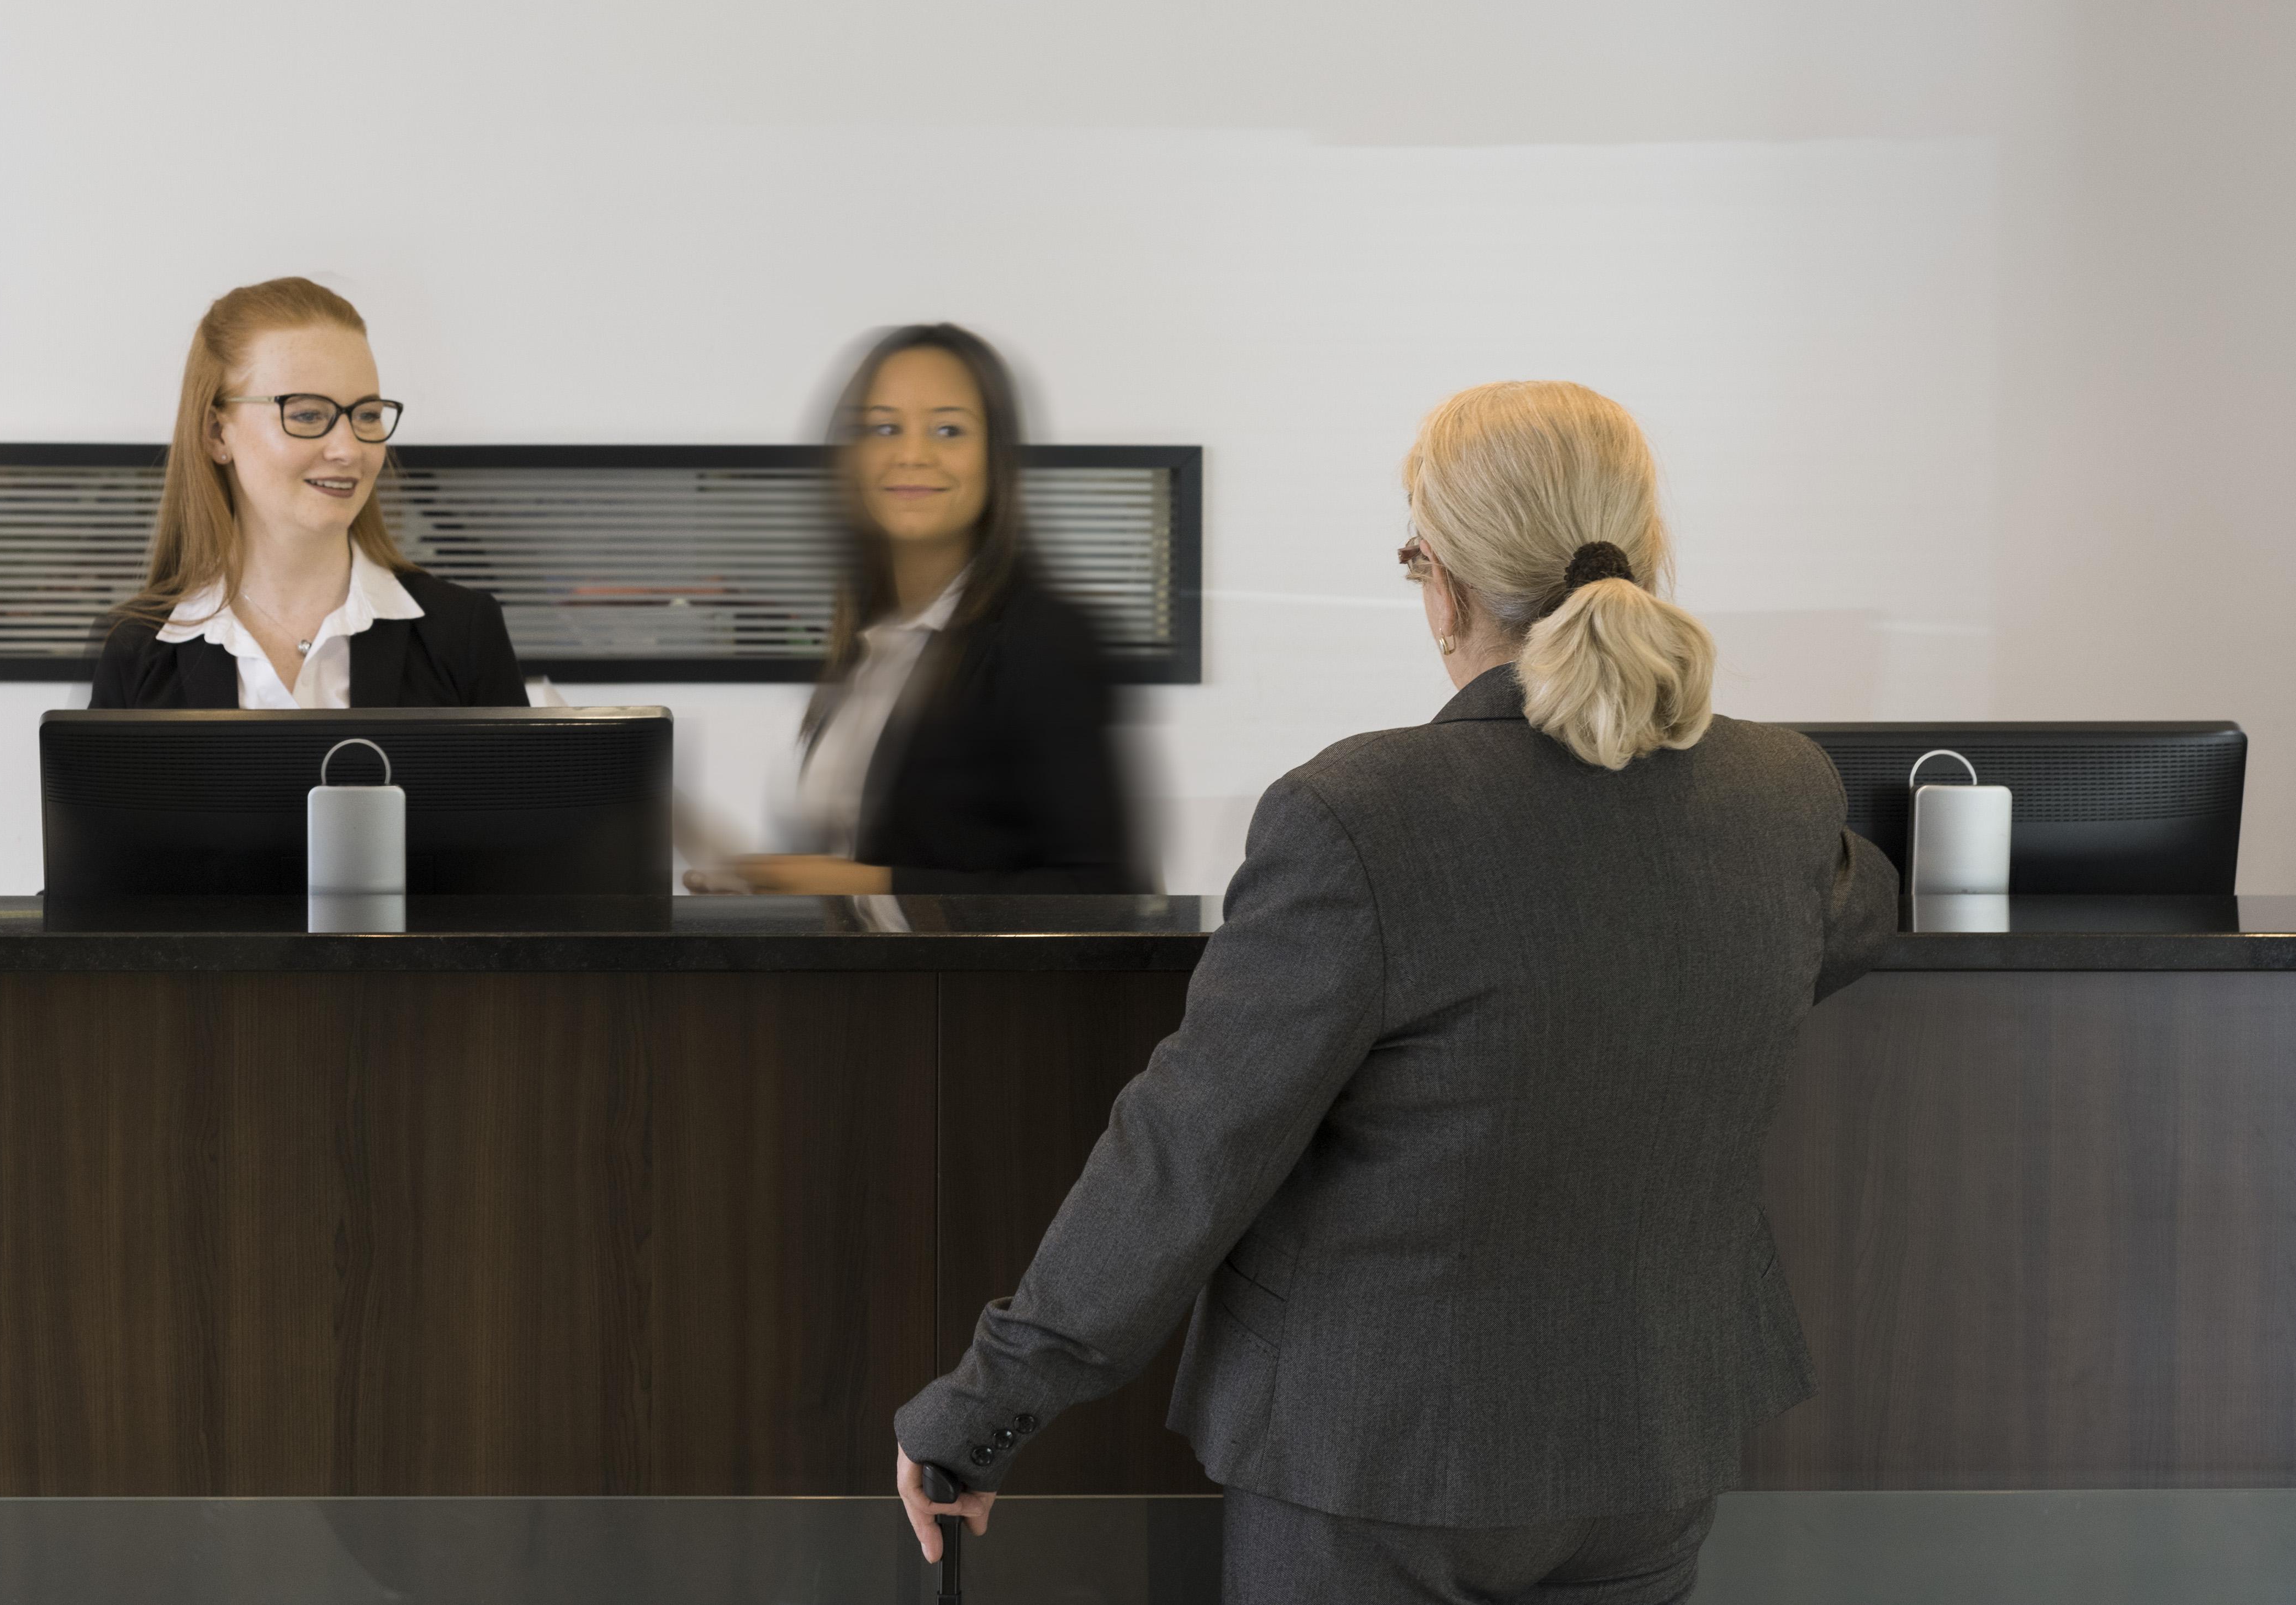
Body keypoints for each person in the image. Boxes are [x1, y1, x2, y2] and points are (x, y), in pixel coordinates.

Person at [892, 379, 1897, 1605]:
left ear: (1446, 582)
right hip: (1645, 1446)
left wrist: (984, 1404)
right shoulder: (1783, 792)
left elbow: (1189, 1150)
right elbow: (1855, 910)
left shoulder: (1356, 814)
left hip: (1374, 1458)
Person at [718, 322, 1143, 896]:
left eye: (948, 429)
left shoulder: (1044, 639)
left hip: (978, 989)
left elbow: (1107, 892)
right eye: (884, 428)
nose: (911, 454)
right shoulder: (875, 643)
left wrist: (857, 884)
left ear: (994, 460)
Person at [88, 277, 524, 709]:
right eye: (308, 414)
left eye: (367, 415)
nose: (349, 450)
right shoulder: (137, 650)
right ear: (217, 433)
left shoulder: (463, 633)